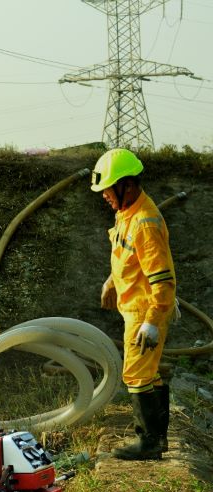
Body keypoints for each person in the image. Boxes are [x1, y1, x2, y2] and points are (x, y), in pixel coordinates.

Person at [91, 148, 176, 461]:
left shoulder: (144, 223)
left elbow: (163, 281)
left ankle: (149, 443)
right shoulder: (127, 213)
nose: (103, 196)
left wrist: (152, 320)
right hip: (136, 308)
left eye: (107, 190)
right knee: (148, 373)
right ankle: (159, 440)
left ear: (126, 185)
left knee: (136, 375)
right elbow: (128, 258)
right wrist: (112, 281)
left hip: (145, 311)